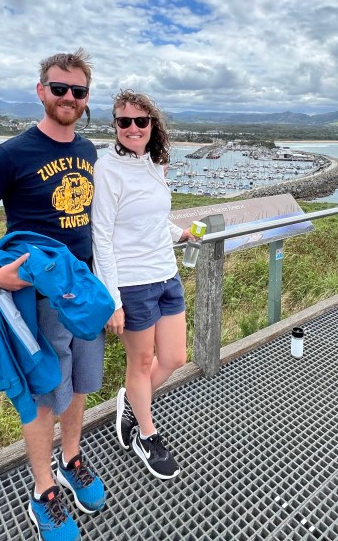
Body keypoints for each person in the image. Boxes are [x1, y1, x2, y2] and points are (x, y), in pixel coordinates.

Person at [0, 48, 105, 541]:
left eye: (78, 91)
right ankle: (43, 491)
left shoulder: (88, 151)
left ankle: (71, 459)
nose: (68, 97)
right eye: (59, 88)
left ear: (86, 98)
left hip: (83, 292)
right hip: (39, 299)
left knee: (80, 383)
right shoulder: (10, 154)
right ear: (41, 91)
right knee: (44, 394)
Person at [91, 89, 196, 480]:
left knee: (174, 358)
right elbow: (101, 236)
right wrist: (112, 299)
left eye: (141, 120)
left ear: (152, 124)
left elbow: (151, 219)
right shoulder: (107, 168)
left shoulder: (154, 163)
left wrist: (178, 234)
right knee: (139, 361)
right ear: (115, 125)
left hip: (167, 274)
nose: (133, 128)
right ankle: (146, 436)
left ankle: (131, 401)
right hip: (133, 284)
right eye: (124, 121)